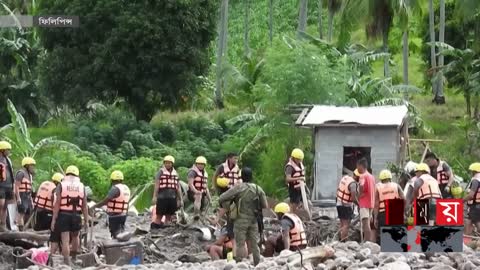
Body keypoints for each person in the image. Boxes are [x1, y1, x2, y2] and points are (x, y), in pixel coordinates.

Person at [218, 167, 267, 266]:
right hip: (254, 220)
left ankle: (239, 264)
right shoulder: (258, 188)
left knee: (240, 243)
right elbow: (265, 205)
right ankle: (257, 264)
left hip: (240, 220)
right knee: (254, 244)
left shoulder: (239, 187)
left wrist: (230, 205)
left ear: (241, 177)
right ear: (251, 177)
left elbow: (222, 198)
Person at [51, 165, 88, 265]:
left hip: (63, 214)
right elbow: (84, 205)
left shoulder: (61, 185)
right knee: (76, 237)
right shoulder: (82, 186)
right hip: (76, 215)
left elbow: (57, 203)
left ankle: (66, 262)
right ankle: (74, 258)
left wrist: (54, 220)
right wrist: (86, 220)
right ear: (77, 174)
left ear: (66, 174)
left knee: (65, 240)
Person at [91, 170, 130, 238]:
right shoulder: (126, 188)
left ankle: (116, 247)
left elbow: (105, 201)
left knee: (115, 234)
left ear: (112, 180)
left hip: (114, 215)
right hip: (123, 215)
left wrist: (94, 206)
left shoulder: (115, 188)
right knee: (121, 232)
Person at [151, 155, 183, 228]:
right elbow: (156, 185)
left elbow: (178, 187)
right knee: (159, 215)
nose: (167, 164)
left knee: (169, 215)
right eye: (166, 163)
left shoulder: (175, 173)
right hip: (162, 197)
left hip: (172, 197)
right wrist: (154, 197)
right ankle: (154, 229)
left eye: (169, 163)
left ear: (172, 164)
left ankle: (165, 229)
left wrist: (180, 199)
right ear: (164, 163)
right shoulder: (161, 172)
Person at [373, 169, 404, 242]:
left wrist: (375, 218)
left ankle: (385, 250)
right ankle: (395, 249)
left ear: (381, 179)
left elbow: (376, 204)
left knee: (385, 233)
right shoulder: (396, 185)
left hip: (383, 212)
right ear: (390, 178)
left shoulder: (377, 187)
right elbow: (404, 198)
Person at [336, 170, 360, 242]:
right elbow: (353, 198)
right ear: (356, 176)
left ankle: (340, 239)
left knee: (342, 223)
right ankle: (343, 241)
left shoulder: (346, 178)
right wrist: (359, 205)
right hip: (346, 205)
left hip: (339, 203)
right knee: (346, 225)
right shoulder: (353, 184)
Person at [356, 158, 375, 242]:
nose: (357, 169)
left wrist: (359, 194)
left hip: (364, 202)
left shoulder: (363, 176)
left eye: (357, 167)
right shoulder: (371, 176)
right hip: (371, 202)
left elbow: (362, 186)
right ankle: (366, 241)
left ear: (361, 166)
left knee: (365, 223)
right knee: (368, 224)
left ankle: (367, 242)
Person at [15, 157, 36, 231]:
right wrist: (18, 198)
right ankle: (20, 229)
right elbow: (16, 186)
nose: (32, 167)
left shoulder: (29, 175)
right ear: (26, 165)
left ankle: (24, 228)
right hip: (21, 194)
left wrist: (31, 201)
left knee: (28, 212)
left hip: (27, 196)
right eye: (31, 165)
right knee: (21, 213)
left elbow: (29, 190)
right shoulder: (21, 173)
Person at [0, 141, 14, 232]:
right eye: (7, 150)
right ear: (2, 150)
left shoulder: (8, 159)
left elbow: (11, 172)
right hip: (1, 185)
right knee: (0, 205)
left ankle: (3, 224)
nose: (8, 151)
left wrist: (12, 186)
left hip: (8, 185)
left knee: (5, 206)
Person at [464, 163, 480, 236]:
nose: (471, 173)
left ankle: (467, 238)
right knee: (470, 220)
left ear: (474, 171)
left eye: (471, 171)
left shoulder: (475, 180)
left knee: (473, 221)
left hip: (475, 206)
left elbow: (471, 195)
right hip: (477, 205)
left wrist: (462, 200)